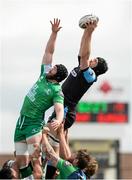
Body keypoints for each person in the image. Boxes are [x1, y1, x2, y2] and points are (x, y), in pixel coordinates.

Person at [13, 18, 68, 179]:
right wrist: (54, 33)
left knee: (36, 163)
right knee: (22, 165)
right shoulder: (44, 76)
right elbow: (49, 52)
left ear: (57, 76)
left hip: (33, 126)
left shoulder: (56, 90)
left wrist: (58, 120)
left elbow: (59, 108)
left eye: (54, 68)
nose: (51, 68)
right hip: (21, 123)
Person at [49, 17, 108, 130]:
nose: (91, 59)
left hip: (66, 111)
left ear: (98, 69)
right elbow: (82, 49)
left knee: (46, 136)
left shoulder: (90, 76)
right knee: (50, 141)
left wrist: (90, 32)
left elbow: (85, 56)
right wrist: (86, 30)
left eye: (95, 61)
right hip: (61, 107)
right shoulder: (81, 68)